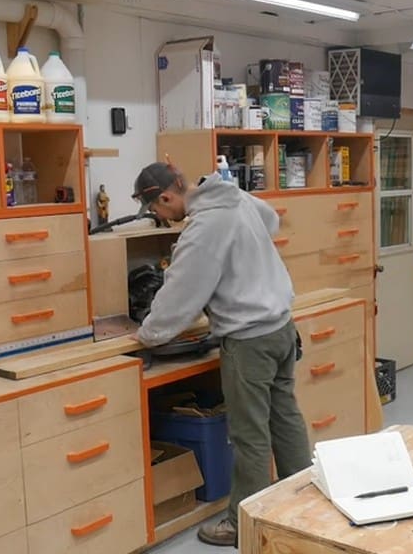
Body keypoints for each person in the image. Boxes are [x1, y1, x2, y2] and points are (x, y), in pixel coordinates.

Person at [131, 162, 312, 547]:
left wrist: (148, 333)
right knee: (285, 417)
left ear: (166, 196)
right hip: (280, 324)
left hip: (250, 340)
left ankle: (243, 523)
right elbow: (270, 222)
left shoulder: (204, 227)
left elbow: (181, 295)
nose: (160, 220)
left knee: (249, 435)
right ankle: (304, 504)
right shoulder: (234, 197)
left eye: (157, 213)